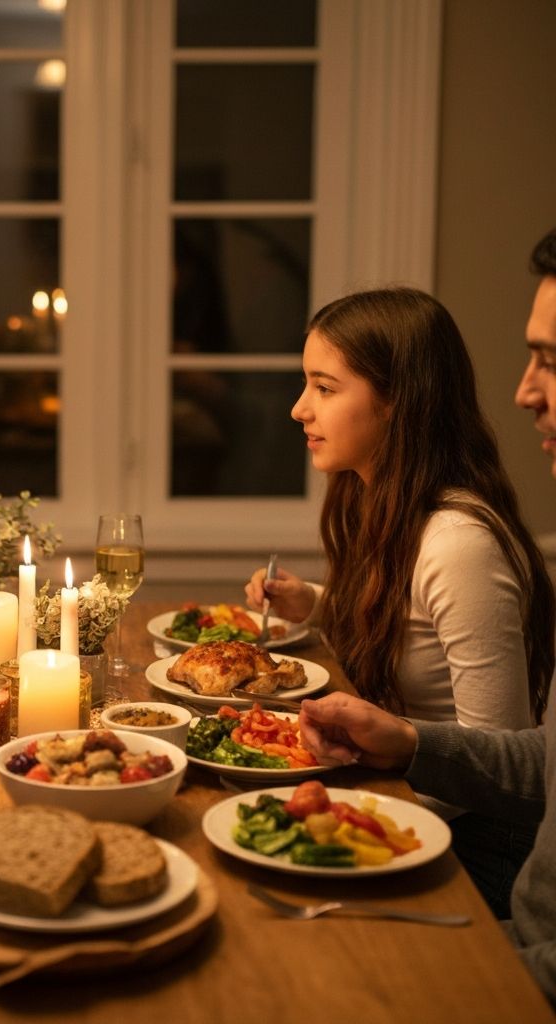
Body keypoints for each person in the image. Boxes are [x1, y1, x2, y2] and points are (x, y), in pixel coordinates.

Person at [290, 227, 556, 1005]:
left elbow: (499, 767)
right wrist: (319, 609)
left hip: (479, 851)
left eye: (326, 387)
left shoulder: (457, 540)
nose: (301, 407)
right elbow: (401, 644)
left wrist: (369, 808)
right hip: (415, 802)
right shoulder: (381, 504)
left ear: (398, 400)